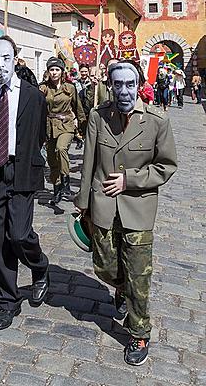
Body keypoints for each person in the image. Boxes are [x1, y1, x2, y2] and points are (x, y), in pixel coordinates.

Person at [74, 61, 177, 366]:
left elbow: (166, 166)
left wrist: (129, 180)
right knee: (103, 265)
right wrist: (83, 203)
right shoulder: (98, 116)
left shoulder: (157, 120)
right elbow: (90, 160)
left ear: (139, 86)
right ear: (109, 85)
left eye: (129, 84)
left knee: (139, 275)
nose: (123, 91)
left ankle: (139, 332)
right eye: (117, 84)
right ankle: (120, 288)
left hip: (138, 209)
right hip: (103, 206)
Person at [0, 36, 49, 330]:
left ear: (15, 59)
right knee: (0, 240)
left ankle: (40, 266)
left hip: (21, 170)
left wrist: (27, 157)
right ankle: (8, 300)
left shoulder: (33, 95)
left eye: (6, 58)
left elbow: (40, 133)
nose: (0, 64)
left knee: (19, 234)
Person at [39, 57, 86, 203]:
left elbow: (78, 108)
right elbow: (37, 108)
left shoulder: (70, 88)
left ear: (62, 71)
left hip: (66, 124)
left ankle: (66, 179)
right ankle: (57, 188)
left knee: (61, 148)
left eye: (57, 70)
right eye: (51, 70)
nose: (54, 73)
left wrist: (84, 127)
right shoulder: (43, 88)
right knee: (52, 162)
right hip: (49, 126)